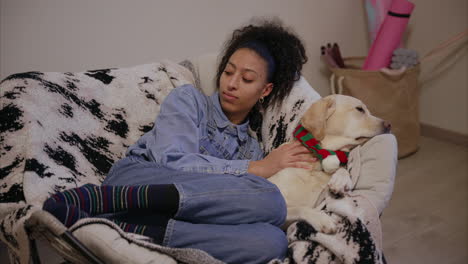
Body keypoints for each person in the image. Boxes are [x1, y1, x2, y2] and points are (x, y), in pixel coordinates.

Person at [43, 19, 314, 264]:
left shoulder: (252, 149)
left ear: (265, 90)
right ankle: (98, 200)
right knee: (271, 199)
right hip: (136, 184)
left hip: (176, 220)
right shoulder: (189, 100)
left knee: (272, 240)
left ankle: (128, 230)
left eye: (246, 79)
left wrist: (259, 168)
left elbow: (229, 209)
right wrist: (254, 169)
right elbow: (171, 160)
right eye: (228, 72)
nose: (231, 84)